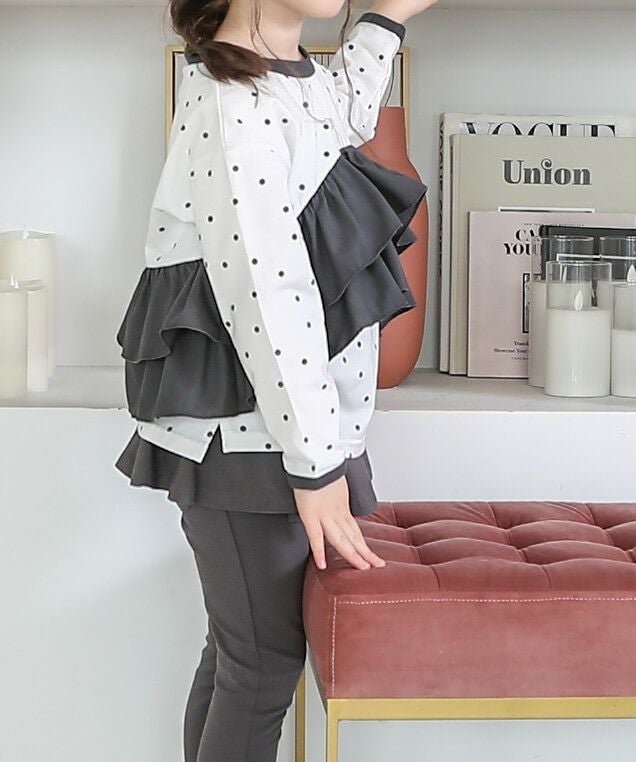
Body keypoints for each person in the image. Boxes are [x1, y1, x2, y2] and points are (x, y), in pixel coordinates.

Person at [114, 1, 435, 759]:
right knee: (259, 668)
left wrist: (387, 17)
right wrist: (316, 466)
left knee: (244, 658)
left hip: (286, 430)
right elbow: (266, 292)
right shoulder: (232, 106)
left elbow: (346, 111)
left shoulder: (291, 81)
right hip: (253, 438)